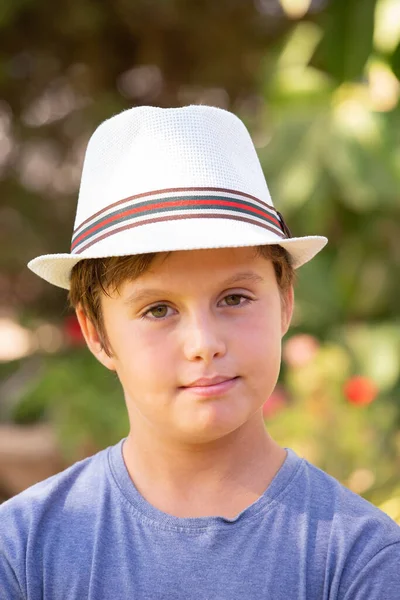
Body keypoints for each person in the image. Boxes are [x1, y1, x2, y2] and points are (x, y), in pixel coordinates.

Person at [1, 105, 399, 600]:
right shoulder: (22, 550)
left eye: (234, 299)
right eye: (158, 309)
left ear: (285, 303)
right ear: (97, 333)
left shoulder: (360, 558)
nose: (204, 344)